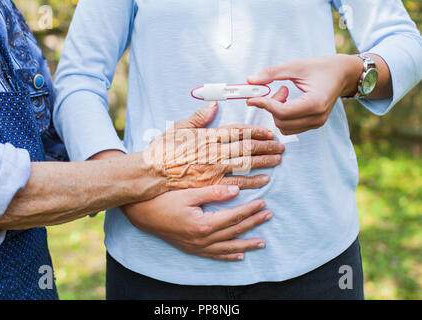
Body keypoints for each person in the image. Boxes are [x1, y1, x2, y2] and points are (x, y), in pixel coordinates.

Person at [54, 0, 422, 299]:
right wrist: (130, 195)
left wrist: (352, 74)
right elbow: (79, 79)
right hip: (154, 264)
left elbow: (403, 43)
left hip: (316, 260)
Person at [0, 0, 285, 299]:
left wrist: (338, 78)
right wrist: (140, 190)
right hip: (150, 267)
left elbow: (43, 132)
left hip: (26, 280)